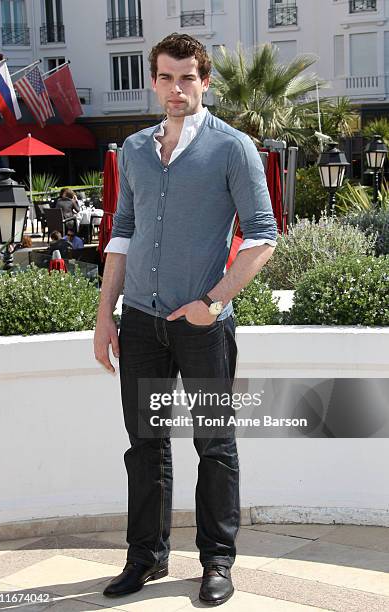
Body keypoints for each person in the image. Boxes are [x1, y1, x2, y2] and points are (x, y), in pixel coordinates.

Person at [94, 33, 277, 607]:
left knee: (214, 445)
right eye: (167, 78)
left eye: (188, 78)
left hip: (202, 327)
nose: (177, 89)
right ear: (154, 81)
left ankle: (217, 562)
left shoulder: (233, 148)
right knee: (144, 445)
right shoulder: (134, 150)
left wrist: (214, 303)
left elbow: (263, 237)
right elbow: (121, 233)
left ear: (206, 81)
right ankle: (145, 557)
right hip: (141, 324)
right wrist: (106, 317)